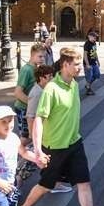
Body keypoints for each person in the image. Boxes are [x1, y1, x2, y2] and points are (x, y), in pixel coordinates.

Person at [17, 47, 104, 206]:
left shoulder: (74, 85)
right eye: (76, 64)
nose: (80, 68)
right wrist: (38, 151)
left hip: (74, 144)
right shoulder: (51, 89)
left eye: (80, 64)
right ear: (65, 65)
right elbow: (38, 119)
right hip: (54, 148)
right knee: (46, 186)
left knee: (84, 183)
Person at [25, 65, 73, 193]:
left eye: (52, 75)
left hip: (48, 132)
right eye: (49, 76)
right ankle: (16, 184)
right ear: (42, 78)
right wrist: (33, 136)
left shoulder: (46, 89)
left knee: (50, 160)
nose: (52, 78)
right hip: (40, 134)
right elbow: (30, 116)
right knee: (31, 163)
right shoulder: (37, 93)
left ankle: (55, 183)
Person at [14, 44, 46, 146]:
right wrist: (31, 103)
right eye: (40, 56)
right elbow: (18, 92)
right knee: (26, 136)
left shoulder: (36, 69)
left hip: (30, 108)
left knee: (33, 134)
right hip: (23, 108)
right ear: (32, 55)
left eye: (43, 56)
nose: (42, 59)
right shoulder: (27, 70)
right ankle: (15, 156)